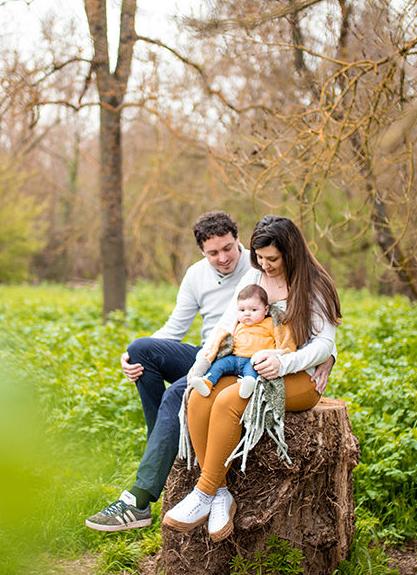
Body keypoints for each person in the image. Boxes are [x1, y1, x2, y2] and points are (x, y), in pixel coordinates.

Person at [162, 215, 342, 542]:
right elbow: (228, 324)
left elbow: (325, 344)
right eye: (259, 257)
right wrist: (203, 362)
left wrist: (284, 363)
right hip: (252, 368)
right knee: (202, 396)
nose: (265, 265)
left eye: (272, 258)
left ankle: (202, 493)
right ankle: (220, 495)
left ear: (292, 252)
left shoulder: (315, 285)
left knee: (231, 400)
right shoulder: (255, 277)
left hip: (298, 377)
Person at [84, 211, 252, 531]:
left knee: (179, 392)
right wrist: (127, 357)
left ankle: (139, 500)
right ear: (202, 251)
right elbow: (175, 329)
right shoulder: (196, 275)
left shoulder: (256, 269)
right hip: (205, 357)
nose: (223, 258)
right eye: (213, 253)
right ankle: (160, 445)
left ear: (237, 238)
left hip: (237, 362)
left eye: (228, 248)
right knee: (140, 350)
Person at [188, 284, 295, 399]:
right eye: (242, 310)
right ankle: (207, 383)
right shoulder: (238, 325)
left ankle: (247, 385)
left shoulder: (269, 323)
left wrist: (277, 354)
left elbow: (282, 339)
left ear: (265, 310)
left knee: (251, 372)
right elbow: (222, 340)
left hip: (253, 360)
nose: (247, 314)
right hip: (234, 358)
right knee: (218, 366)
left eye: (253, 310)